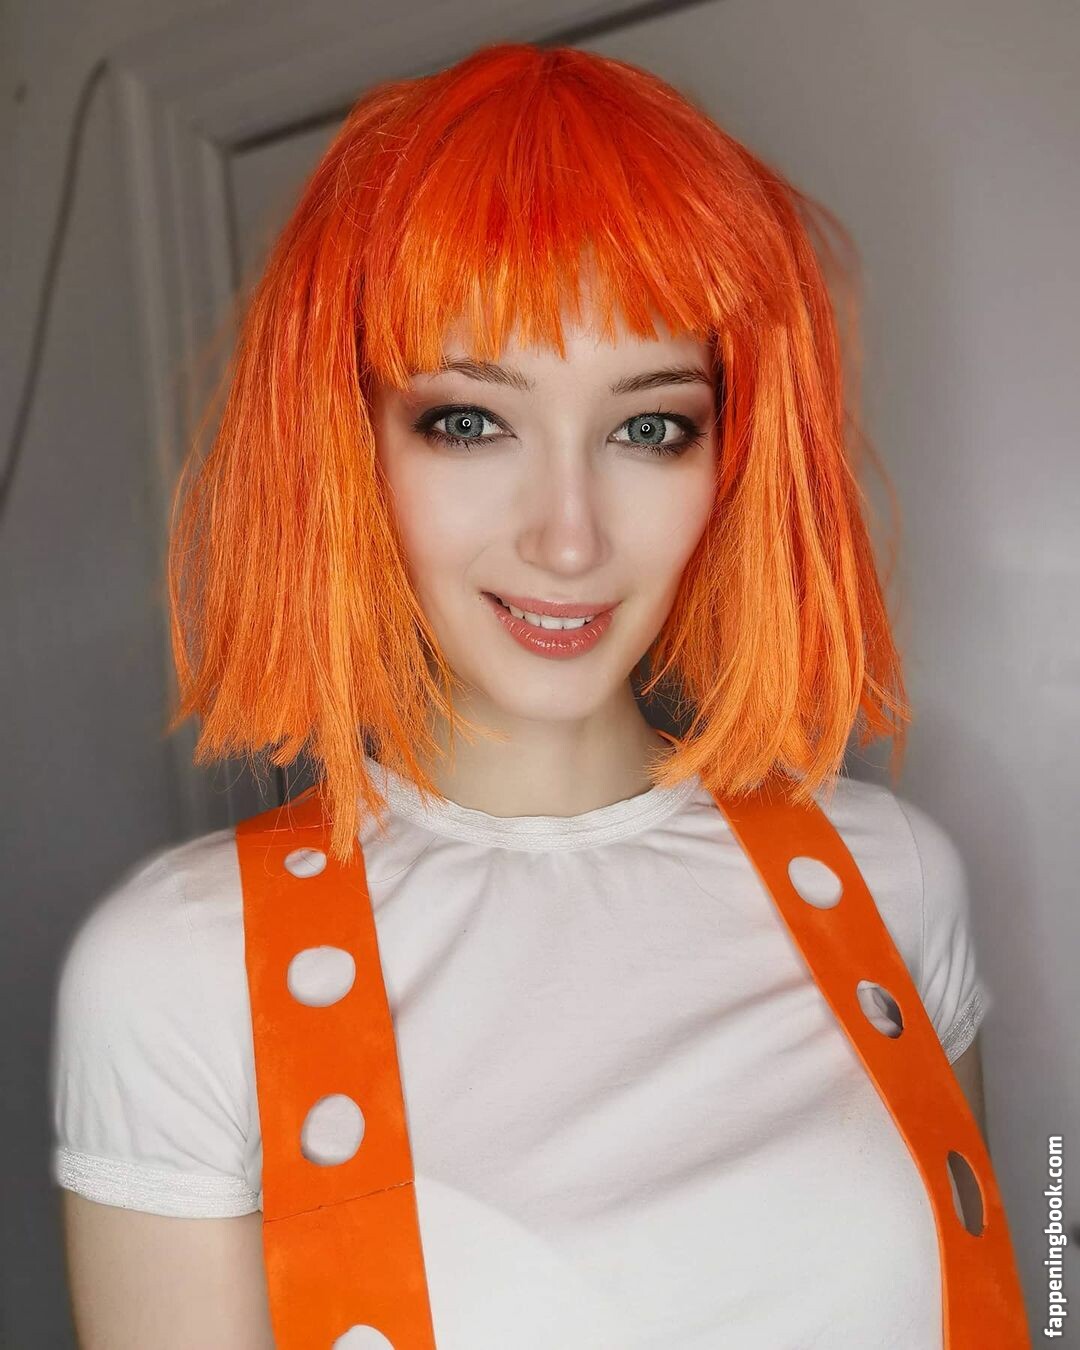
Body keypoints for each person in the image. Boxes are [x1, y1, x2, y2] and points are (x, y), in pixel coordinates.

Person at [51, 41, 1000, 1348]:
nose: (568, 537)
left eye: (649, 426)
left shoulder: (895, 877)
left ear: (732, 458)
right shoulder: (177, 973)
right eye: (469, 420)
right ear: (348, 443)